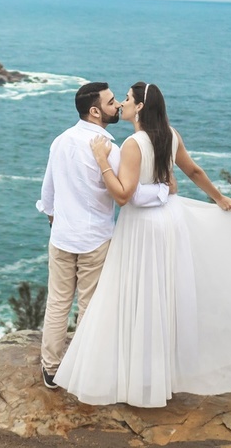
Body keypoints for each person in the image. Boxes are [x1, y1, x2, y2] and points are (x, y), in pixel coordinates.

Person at [53, 81, 231, 407]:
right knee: (165, 298)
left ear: (140, 107)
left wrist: (101, 159)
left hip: (144, 229)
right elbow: (193, 170)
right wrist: (218, 197)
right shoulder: (171, 135)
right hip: (171, 222)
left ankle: (139, 378)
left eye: (127, 99)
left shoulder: (132, 144)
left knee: (141, 299)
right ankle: (163, 375)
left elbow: (124, 196)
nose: (122, 104)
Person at [36, 82, 170, 389]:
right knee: (89, 305)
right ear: (95, 111)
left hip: (61, 237)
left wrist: (56, 221)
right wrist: (165, 189)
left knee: (57, 303)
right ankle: (81, 369)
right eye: (112, 103)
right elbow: (128, 195)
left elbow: (48, 192)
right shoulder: (111, 149)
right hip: (95, 239)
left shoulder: (60, 141)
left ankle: (51, 368)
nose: (118, 106)